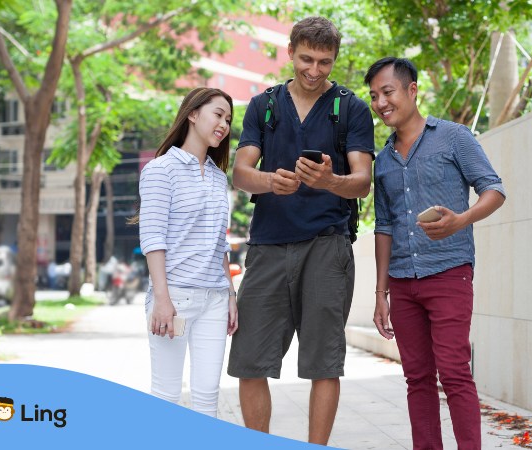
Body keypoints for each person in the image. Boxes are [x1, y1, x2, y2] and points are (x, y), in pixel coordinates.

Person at [226, 16, 374, 445]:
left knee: (323, 362)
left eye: (325, 62)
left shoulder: (351, 109)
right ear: (289, 52)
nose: (314, 70)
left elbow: (363, 180)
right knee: (250, 360)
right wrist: (272, 180)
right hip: (268, 246)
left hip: (327, 246)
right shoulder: (263, 105)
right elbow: (240, 172)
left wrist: (330, 181)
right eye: (306, 59)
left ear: (335, 60)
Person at [365, 57, 505, 450]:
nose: (380, 102)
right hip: (402, 282)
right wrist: (381, 294)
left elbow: (494, 189)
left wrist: (462, 220)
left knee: (455, 373)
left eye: (387, 92)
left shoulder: (454, 137)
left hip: (449, 273)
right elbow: (385, 226)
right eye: (374, 96)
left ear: (411, 90)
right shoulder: (383, 161)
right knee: (417, 379)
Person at [138, 87, 238, 417]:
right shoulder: (160, 170)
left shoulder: (216, 175)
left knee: (208, 395)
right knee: (166, 395)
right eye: (218, 114)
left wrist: (230, 294)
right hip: (175, 299)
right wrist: (162, 300)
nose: (224, 124)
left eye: (228, 118)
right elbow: (153, 239)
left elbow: (218, 241)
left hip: (214, 300)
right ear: (193, 114)